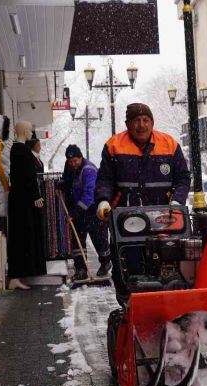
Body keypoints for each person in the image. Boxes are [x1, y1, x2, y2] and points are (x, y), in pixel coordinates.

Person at [94, 102, 191, 303]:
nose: (141, 125)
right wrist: (103, 201)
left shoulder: (170, 145)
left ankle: (166, 300)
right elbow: (105, 179)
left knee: (166, 259)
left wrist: (176, 200)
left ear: (152, 122)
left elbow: (182, 177)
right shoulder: (114, 145)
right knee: (127, 263)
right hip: (126, 220)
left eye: (146, 120)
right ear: (128, 124)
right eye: (136, 121)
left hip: (164, 218)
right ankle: (127, 302)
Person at [62, 145, 112, 283]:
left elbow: (89, 195)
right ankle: (81, 269)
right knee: (78, 239)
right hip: (79, 210)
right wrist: (62, 185)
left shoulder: (88, 170)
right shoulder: (71, 169)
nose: (73, 164)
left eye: (75, 161)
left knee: (99, 238)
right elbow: (68, 183)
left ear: (81, 157)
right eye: (70, 161)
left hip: (92, 209)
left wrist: (76, 211)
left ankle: (105, 262)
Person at [7, 122, 47, 290]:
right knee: (21, 236)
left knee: (21, 236)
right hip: (22, 202)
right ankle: (15, 276)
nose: (31, 132)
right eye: (30, 130)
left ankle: (17, 275)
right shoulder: (20, 150)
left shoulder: (19, 149)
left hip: (21, 201)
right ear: (24, 131)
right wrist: (35, 195)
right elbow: (27, 176)